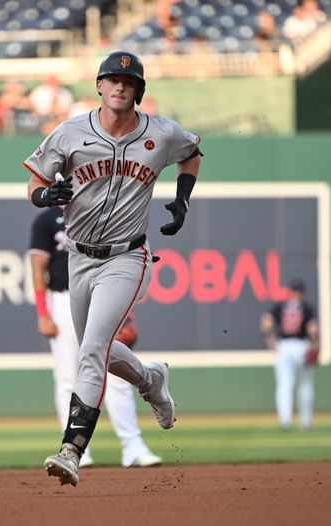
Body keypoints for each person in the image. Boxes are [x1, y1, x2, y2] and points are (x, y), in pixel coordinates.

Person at [24, 50, 202, 486]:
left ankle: (71, 449)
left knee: (91, 350)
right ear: (100, 86)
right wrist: (47, 196)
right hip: (79, 257)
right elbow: (33, 183)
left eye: (129, 81)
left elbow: (192, 153)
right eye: (112, 79)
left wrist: (182, 200)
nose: (120, 86)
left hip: (128, 256)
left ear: (139, 91)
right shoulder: (69, 133)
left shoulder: (160, 133)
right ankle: (152, 379)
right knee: (96, 349)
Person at [29, 206, 163, 468]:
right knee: (68, 378)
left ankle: (133, 446)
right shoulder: (47, 219)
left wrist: (129, 313)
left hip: (103, 296)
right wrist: (43, 313)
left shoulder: (100, 210)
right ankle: (78, 449)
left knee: (116, 375)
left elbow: (120, 264)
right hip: (62, 298)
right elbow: (38, 269)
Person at [259, 280, 319, 432]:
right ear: (302, 293)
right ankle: (306, 422)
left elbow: (266, 323)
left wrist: (270, 341)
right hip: (302, 346)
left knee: (284, 385)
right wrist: (315, 344)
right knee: (305, 385)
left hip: (284, 346)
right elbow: (313, 329)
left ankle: (285, 420)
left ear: (290, 292)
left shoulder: (280, 306)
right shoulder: (306, 307)